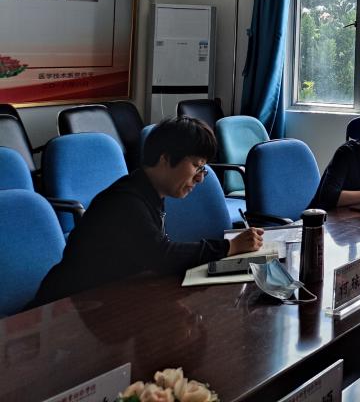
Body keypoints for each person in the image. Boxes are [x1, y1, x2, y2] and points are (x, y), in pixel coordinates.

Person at [34, 116, 263, 306]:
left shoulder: (148, 192)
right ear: (165, 159)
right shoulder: (125, 202)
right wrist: (230, 247)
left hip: (109, 299)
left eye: (203, 169)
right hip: (68, 307)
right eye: (196, 166)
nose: (201, 178)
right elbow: (161, 256)